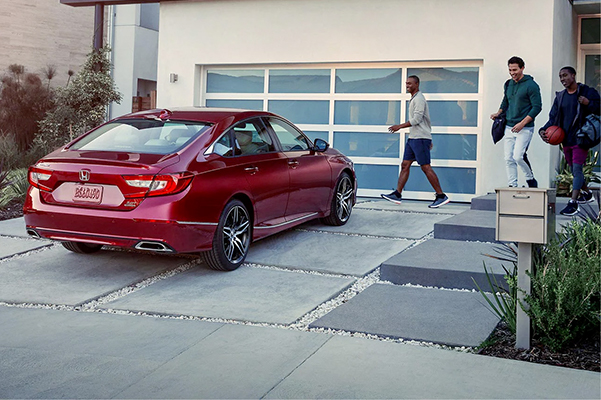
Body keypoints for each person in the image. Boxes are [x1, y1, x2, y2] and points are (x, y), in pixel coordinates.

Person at [539, 66, 601, 216]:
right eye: (560, 76)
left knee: (577, 169)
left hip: (581, 138)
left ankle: (573, 203)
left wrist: (588, 104)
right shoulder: (560, 97)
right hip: (565, 140)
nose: (562, 79)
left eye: (565, 75)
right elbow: (553, 118)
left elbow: (599, 109)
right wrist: (543, 130)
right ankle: (586, 194)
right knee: (575, 170)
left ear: (573, 75)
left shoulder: (587, 92)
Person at [381, 75, 450, 208]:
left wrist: (399, 126)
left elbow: (417, 119)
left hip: (420, 138)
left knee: (425, 167)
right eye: (406, 83)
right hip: (413, 138)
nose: (407, 85)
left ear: (417, 84)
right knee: (405, 165)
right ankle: (397, 194)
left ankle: (441, 195)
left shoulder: (419, 99)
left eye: (410, 83)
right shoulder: (413, 98)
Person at [491, 56, 542, 188]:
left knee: (518, 156)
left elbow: (537, 107)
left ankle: (530, 179)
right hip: (509, 126)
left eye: (515, 69)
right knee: (508, 158)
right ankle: (512, 185)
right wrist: (498, 112)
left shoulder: (531, 85)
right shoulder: (508, 83)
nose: (512, 73)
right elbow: (506, 101)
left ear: (522, 68)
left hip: (525, 128)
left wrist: (522, 123)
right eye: (510, 70)